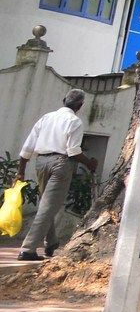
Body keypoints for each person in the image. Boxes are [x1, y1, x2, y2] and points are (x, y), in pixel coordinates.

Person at [15, 90, 94, 262]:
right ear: (80, 106)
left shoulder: (46, 118)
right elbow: (73, 151)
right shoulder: (75, 121)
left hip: (41, 162)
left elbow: (27, 148)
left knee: (46, 204)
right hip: (61, 163)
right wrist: (90, 163)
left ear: (64, 100)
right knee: (48, 207)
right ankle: (28, 249)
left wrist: (20, 171)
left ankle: (51, 242)